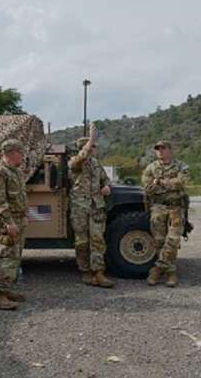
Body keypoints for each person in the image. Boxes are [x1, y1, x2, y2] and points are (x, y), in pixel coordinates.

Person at [68, 123, 114, 288]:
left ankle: (99, 273)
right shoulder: (74, 162)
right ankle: (85, 271)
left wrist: (107, 186)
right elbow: (81, 157)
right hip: (80, 207)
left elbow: (105, 179)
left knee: (97, 240)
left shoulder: (96, 164)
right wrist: (91, 138)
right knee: (81, 241)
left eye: (94, 145)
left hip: (96, 207)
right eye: (92, 146)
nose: (94, 148)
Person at [141, 140, 190, 287]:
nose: (160, 151)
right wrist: (170, 185)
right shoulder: (151, 168)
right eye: (158, 149)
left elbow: (183, 182)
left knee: (173, 240)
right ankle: (170, 272)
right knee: (159, 242)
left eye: (163, 148)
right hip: (158, 208)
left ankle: (157, 269)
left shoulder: (181, 166)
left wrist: (161, 183)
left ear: (170, 150)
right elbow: (147, 187)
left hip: (176, 208)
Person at [0, 139, 29, 310]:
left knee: (16, 257)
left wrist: (25, 215)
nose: (23, 157)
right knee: (7, 258)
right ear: (12, 153)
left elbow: (21, 196)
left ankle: (8, 290)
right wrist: (9, 222)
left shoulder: (16, 172)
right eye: (21, 153)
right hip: (7, 222)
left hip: (18, 220)